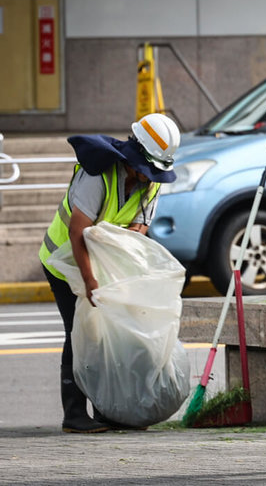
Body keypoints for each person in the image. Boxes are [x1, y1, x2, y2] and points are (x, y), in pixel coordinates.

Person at [39, 113, 181, 433]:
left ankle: (109, 410)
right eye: (148, 170)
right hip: (63, 262)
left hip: (104, 263)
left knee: (108, 334)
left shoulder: (149, 185)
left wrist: (120, 262)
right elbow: (77, 232)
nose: (151, 178)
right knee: (80, 331)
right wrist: (90, 281)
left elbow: (139, 227)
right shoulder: (98, 175)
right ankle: (74, 414)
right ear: (133, 158)